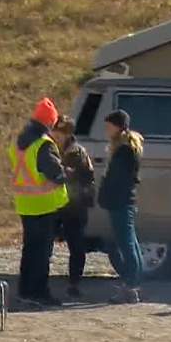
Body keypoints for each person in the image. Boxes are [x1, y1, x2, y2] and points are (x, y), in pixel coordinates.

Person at [10, 97, 69, 306]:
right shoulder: (43, 144)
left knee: (30, 250)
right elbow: (54, 172)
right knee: (42, 253)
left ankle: (25, 290)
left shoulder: (20, 142)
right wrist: (67, 174)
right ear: (49, 122)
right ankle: (39, 293)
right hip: (44, 204)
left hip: (25, 203)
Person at [98, 109, 145, 304]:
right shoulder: (126, 148)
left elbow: (117, 180)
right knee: (130, 244)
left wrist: (105, 193)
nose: (106, 129)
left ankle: (130, 286)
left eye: (109, 125)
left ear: (118, 126)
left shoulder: (124, 150)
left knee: (126, 245)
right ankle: (133, 284)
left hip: (121, 202)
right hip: (124, 201)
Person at [51, 115, 96, 299]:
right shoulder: (55, 150)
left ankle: (74, 283)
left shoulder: (75, 152)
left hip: (75, 205)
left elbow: (73, 177)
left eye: (61, 132)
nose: (57, 135)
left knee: (76, 247)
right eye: (56, 131)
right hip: (61, 203)